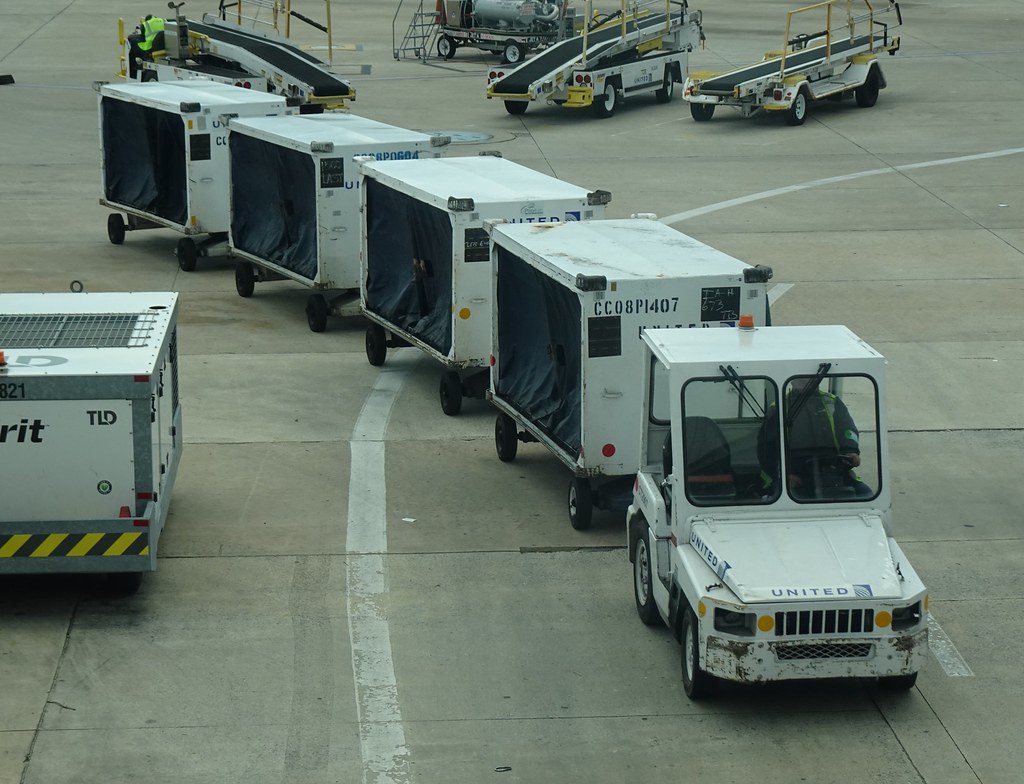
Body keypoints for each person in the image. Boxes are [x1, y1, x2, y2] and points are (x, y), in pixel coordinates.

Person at [759, 376, 872, 499]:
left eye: (810, 378)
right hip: (795, 475)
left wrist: (851, 450)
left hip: (834, 469)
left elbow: (847, 430)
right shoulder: (778, 408)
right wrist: (782, 475)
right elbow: (766, 449)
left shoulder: (832, 402)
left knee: (867, 495)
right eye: (801, 379)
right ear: (792, 381)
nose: (807, 381)